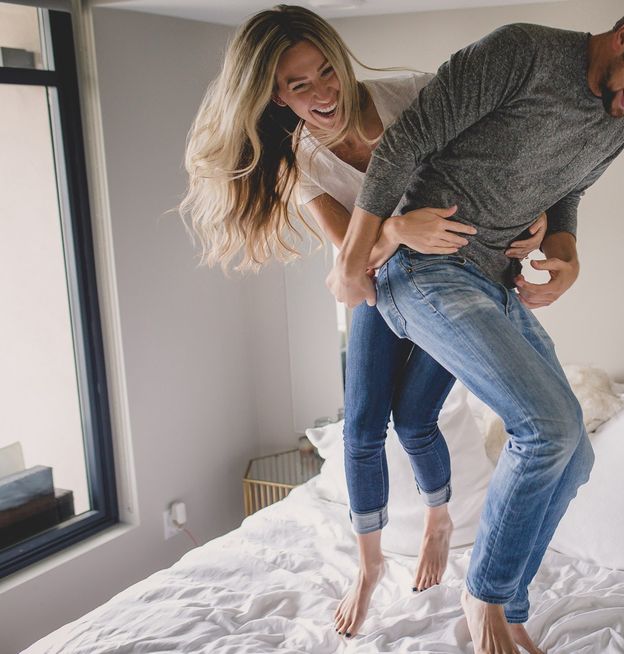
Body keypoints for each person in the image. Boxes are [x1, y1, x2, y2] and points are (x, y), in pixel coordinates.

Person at [327, 1, 624, 652]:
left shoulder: (618, 126)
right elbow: (407, 138)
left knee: (575, 452)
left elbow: (568, 192)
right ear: (623, 38)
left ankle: (509, 604)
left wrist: (567, 254)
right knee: (546, 429)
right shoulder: (524, 53)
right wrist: (352, 256)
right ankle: (484, 596)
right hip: (427, 268)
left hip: (494, 282)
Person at [178, 4, 547, 640]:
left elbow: (503, 157)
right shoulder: (301, 158)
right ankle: (369, 566)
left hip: (454, 278)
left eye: (328, 70)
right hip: (381, 283)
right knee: (360, 428)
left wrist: (537, 215)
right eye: (300, 85)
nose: (325, 92)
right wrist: (398, 227)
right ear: (275, 95)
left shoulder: (411, 94)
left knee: (414, 418)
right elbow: (354, 259)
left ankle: (439, 518)